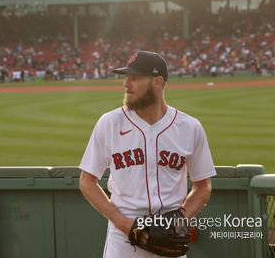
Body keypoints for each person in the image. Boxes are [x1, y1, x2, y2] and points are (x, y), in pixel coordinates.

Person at [79, 51, 215, 257]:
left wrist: (180, 220)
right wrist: (125, 224)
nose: (126, 84)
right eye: (126, 78)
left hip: (170, 240)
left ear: (157, 82)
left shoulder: (190, 127)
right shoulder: (110, 123)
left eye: (135, 78)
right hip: (123, 241)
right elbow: (87, 181)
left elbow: (203, 186)